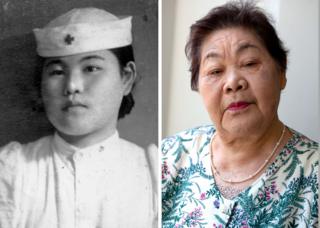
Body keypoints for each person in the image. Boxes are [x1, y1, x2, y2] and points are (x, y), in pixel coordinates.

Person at [161, 1, 318, 227]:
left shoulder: (314, 175)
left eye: (249, 63)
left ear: (281, 71)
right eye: (215, 71)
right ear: (197, 86)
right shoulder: (168, 157)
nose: (233, 82)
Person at [0, 8, 156, 228]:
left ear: (126, 78)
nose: (72, 86)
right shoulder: (12, 170)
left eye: (91, 68)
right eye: (57, 71)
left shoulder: (153, 173)